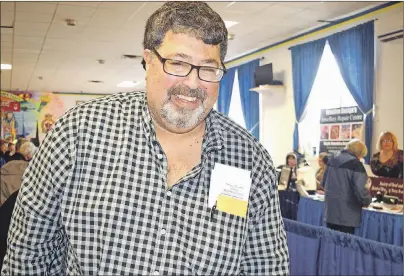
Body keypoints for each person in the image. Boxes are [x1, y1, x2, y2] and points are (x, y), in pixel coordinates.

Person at [2, 2, 289, 275]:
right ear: (148, 60)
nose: (192, 83)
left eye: (208, 69)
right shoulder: (76, 135)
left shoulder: (250, 160)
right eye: (178, 63)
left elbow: (265, 267)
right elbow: (28, 256)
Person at [321, 139, 371, 234]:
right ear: (358, 154)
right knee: (344, 246)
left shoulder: (332, 160)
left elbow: (323, 183)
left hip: (330, 212)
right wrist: (368, 200)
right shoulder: (356, 165)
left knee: (331, 244)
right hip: (348, 215)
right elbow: (361, 190)